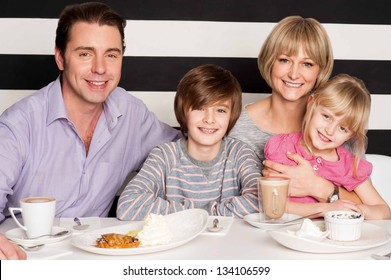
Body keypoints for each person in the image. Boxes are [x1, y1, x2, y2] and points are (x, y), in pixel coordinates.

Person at [0, 2, 178, 259]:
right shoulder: (19, 125)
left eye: (111, 54)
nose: (100, 68)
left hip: (98, 261)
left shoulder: (131, 113)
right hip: (26, 262)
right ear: (60, 58)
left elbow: (190, 153)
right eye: (85, 53)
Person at [228, 15, 361, 204]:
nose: (293, 73)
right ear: (269, 61)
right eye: (284, 60)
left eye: (307, 64)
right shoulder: (235, 125)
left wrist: (318, 187)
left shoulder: (338, 127)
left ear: (320, 71)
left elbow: (370, 208)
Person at [117, 64, 260, 221]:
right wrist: (201, 215)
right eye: (199, 108)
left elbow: (260, 201)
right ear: (183, 111)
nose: (209, 119)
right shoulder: (165, 156)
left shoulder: (239, 154)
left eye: (220, 110)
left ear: (231, 115)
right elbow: (128, 205)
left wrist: (193, 215)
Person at [264, 74, 391, 219]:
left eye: (343, 128)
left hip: (332, 239)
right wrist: (325, 208)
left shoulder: (350, 165)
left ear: (351, 135)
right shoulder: (283, 148)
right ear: (311, 103)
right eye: (326, 116)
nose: (329, 131)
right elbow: (272, 204)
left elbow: (384, 212)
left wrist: (355, 210)